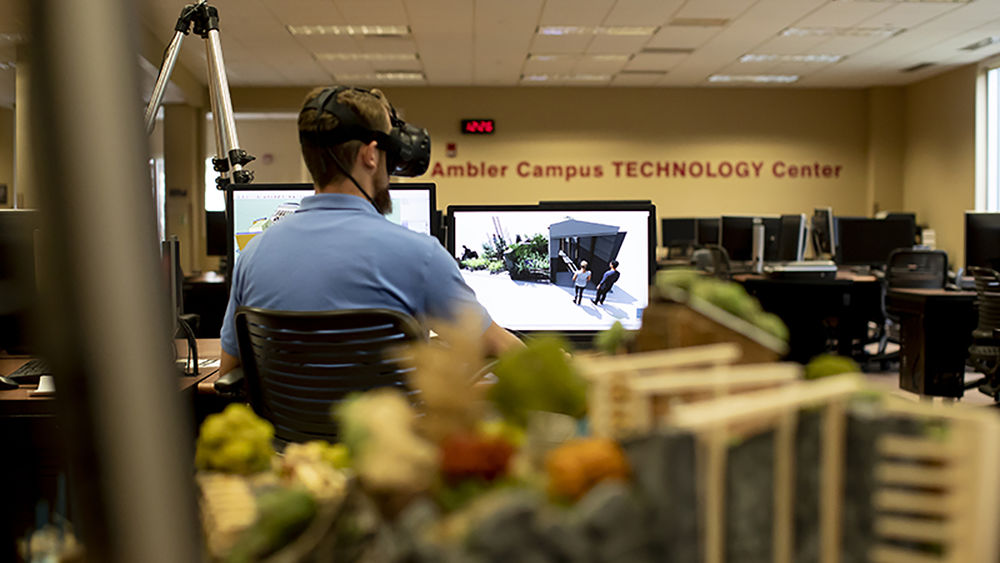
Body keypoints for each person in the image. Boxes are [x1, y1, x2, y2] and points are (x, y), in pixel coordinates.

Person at [219, 86, 520, 377]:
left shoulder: (252, 256)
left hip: (283, 430)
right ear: (371, 155)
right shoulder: (420, 256)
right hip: (389, 429)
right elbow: (494, 346)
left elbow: (229, 371)